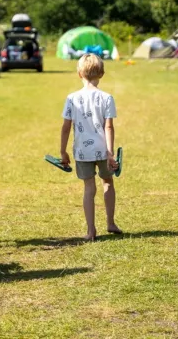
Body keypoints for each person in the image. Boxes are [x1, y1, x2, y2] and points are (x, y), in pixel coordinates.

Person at [60, 54, 121, 241]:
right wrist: (110, 153)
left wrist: (63, 151)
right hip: (103, 150)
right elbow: (108, 127)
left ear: (79, 74)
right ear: (101, 73)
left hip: (81, 151)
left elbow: (66, 127)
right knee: (107, 182)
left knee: (88, 187)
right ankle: (110, 223)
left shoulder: (72, 98)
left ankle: (90, 230)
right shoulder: (107, 98)